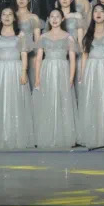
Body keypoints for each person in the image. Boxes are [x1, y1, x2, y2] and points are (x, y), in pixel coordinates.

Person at [0, 7, 35, 150]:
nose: (7, 17)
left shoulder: (20, 34)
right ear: (0, 17)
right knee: (0, 100)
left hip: (16, 70)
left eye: (10, 14)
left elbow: (24, 54)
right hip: (0, 70)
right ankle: (0, 136)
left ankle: (15, 136)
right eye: (4, 14)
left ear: (14, 18)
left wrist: (23, 72)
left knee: (15, 101)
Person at [33, 9, 79, 149]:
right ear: (48, 19)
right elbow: (39, 59)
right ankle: (46, 135)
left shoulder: (68, 37)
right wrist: (37, 78)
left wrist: (71, 78)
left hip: (62, 70)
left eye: (57, 16)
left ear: (62, 19)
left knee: (62, 102)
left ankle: (62, 136)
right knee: (47, 101)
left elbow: (72, 60)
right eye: (52, 16)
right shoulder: (43, 37)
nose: (54, 19)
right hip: (47, 70)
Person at [77, 4, 104, 148]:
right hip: (91, 68)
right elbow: (84, 55)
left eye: (101, 11)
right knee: (92, 99)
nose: (98, 13)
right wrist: (82, 74)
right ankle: (92, 134)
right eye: (96, 11)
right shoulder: (88, 33)